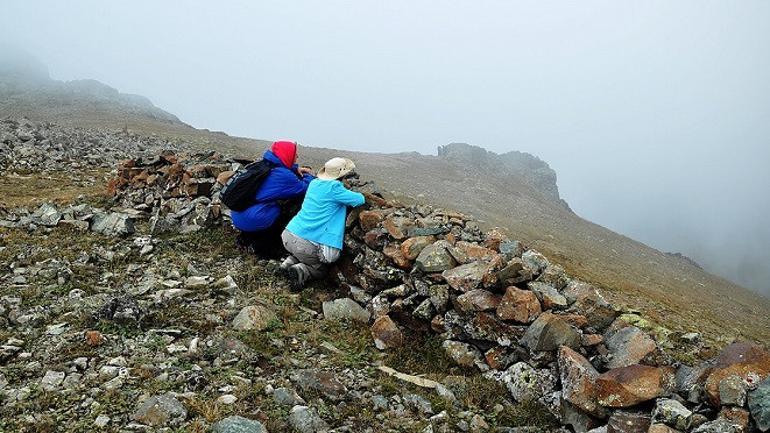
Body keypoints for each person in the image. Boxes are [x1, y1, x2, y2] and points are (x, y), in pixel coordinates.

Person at [281, 157, 365, 289]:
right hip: (304, 244)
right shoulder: (334, 187)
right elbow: (359, 199)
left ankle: (288, 263)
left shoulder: (314, 183)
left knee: (303, 253)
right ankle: (301, 271)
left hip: (288, 234)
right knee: (321, 270)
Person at [230, 141, 315, 257]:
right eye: (295, 154)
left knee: (269, 204)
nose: (297, 157)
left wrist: (295, 168)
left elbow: (280, 170)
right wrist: (309, 175)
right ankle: (267, 248)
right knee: (290, 206)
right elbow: (305, 187)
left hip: (238, 214)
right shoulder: (284, 175)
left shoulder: (263, 165)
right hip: (252, 218)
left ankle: (246, 238)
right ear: (287, 155)